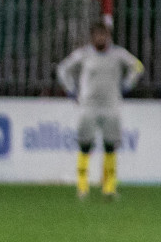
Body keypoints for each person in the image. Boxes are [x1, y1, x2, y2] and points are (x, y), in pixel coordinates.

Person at [56, 19, 143, 200]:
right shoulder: (83, 54)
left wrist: (127, 84)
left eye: (103, 34)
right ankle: (82, 187)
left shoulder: (118, 54)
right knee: (85, 145)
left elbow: (138, 67)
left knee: (110, 146)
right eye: (97, 35)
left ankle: (109, 188)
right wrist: (70, 90)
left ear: (108, 36)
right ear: (92, 37)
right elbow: (63, 69)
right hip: (88, 105)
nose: (100, 38)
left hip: (111, 105)